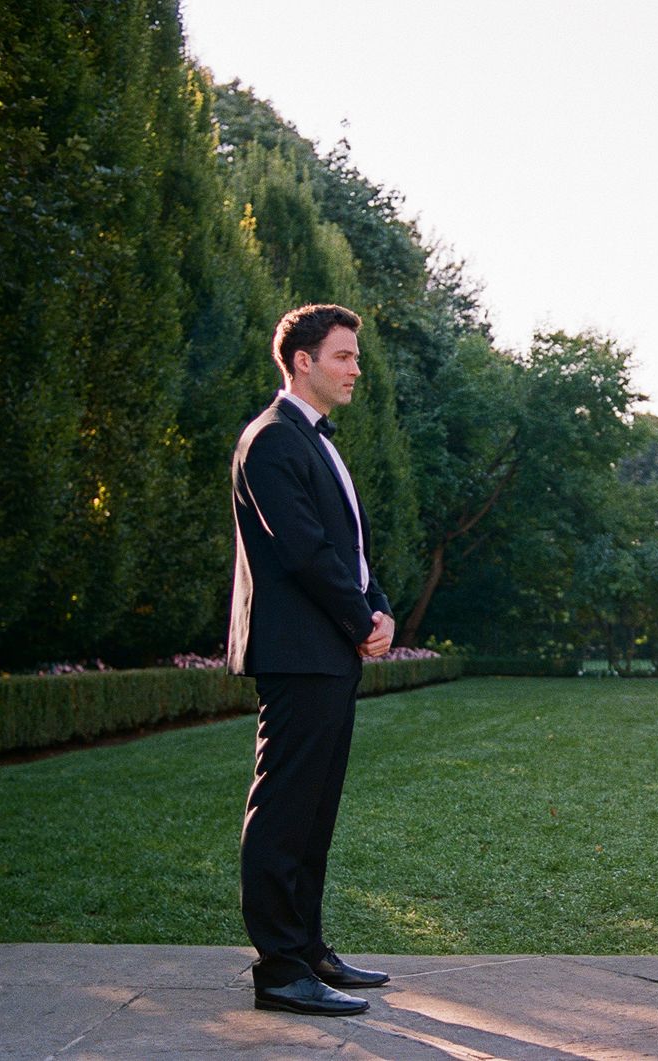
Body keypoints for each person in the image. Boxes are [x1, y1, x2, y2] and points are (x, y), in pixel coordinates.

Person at [228, 303, 396, 1016]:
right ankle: (278, 970)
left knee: (314, 810)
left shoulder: (314, 439)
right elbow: (303, 551)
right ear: (303, 361)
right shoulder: (271, 439)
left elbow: (348, 547)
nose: (356, 368)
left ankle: (308, 949)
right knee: (283, 811)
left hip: (328, 650)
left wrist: (379, 609)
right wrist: (360, 621)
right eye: (343, 356)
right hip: (298, 652)